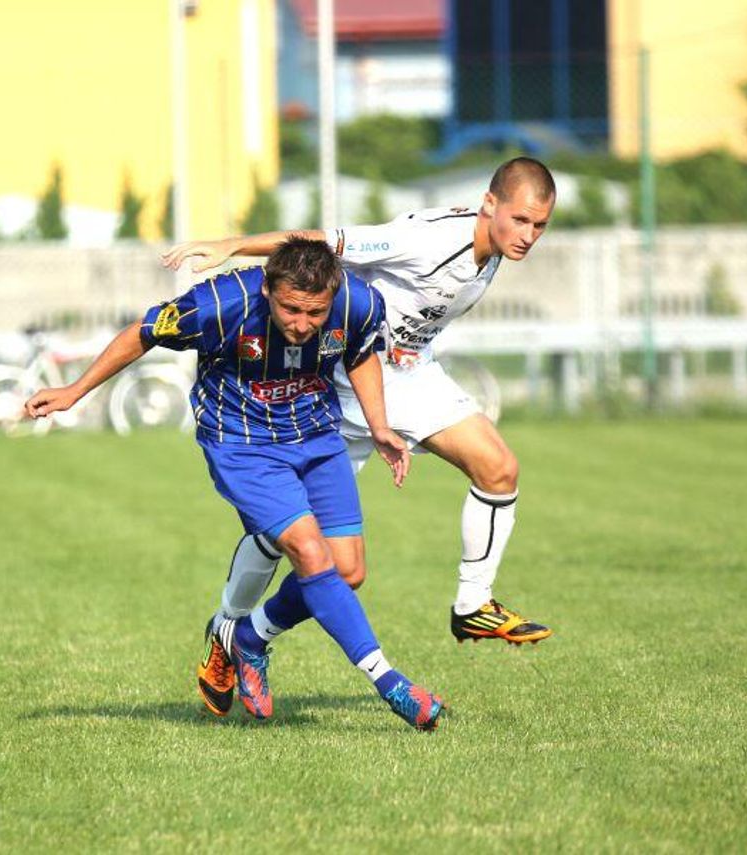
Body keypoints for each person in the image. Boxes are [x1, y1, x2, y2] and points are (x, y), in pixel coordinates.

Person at [163, 157, 557, 716]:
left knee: (498, 469)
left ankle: (472, 604)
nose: (529, 236)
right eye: (521, 220)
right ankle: (230, 632)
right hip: (347, 382)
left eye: (539, 226)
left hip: (410, 375)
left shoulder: (492, 247)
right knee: (293, 545)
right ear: (490, 204)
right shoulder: (428, 239)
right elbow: (329, 243)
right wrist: (235, 245)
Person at [25, 238, 447, 731]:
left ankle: (246, 637)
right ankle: (388, 681)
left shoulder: (356, 301)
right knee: (310, 554)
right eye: (291, 309)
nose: (303, 325)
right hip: (242, 444)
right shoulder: (217, 306)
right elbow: (141, 333)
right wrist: (74, 391)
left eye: (315, 314)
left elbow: (358, 352)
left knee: (348, 571)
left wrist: (379, 426)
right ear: (267, 288)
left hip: (316, 433)